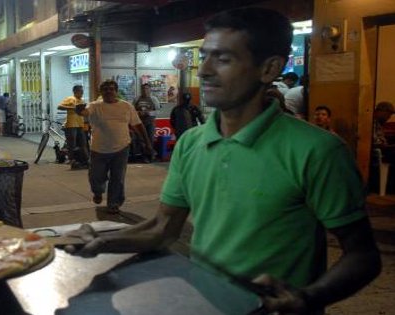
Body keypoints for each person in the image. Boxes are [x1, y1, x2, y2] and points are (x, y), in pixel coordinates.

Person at [66, 8, 381, 315]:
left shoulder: (318, 151)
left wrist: (307, 297)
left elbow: (364, 256)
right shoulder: (191, 143)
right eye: (205, 56)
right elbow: (163, 228)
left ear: (269, 69)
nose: (204, 70)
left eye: (224, 59)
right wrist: (101, 241)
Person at [75, 80, 153, 214]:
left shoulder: (126, 106)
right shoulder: (95, 105)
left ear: (116, 91)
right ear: (101, 92)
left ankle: (114, 203)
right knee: (96, 177)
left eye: (111, 89)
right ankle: (98, 191)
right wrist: (80, 111)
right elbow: (85, 112)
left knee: (118, 178)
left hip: (121, 148)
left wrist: (147, 143)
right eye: (105, 89)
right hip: (99, 149)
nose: (109, 91)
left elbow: (138, 124)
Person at [58, 85, 89, 169]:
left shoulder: (82, 100)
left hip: (80, 124)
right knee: (72, 144)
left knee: (83, 144)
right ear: (75, 91)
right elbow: (59, 106)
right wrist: (72, 107)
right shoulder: (70, 99)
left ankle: (86, 161)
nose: (82, 93)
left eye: (82, 92)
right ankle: (71, 160)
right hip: (71, 125)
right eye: (80, 91)